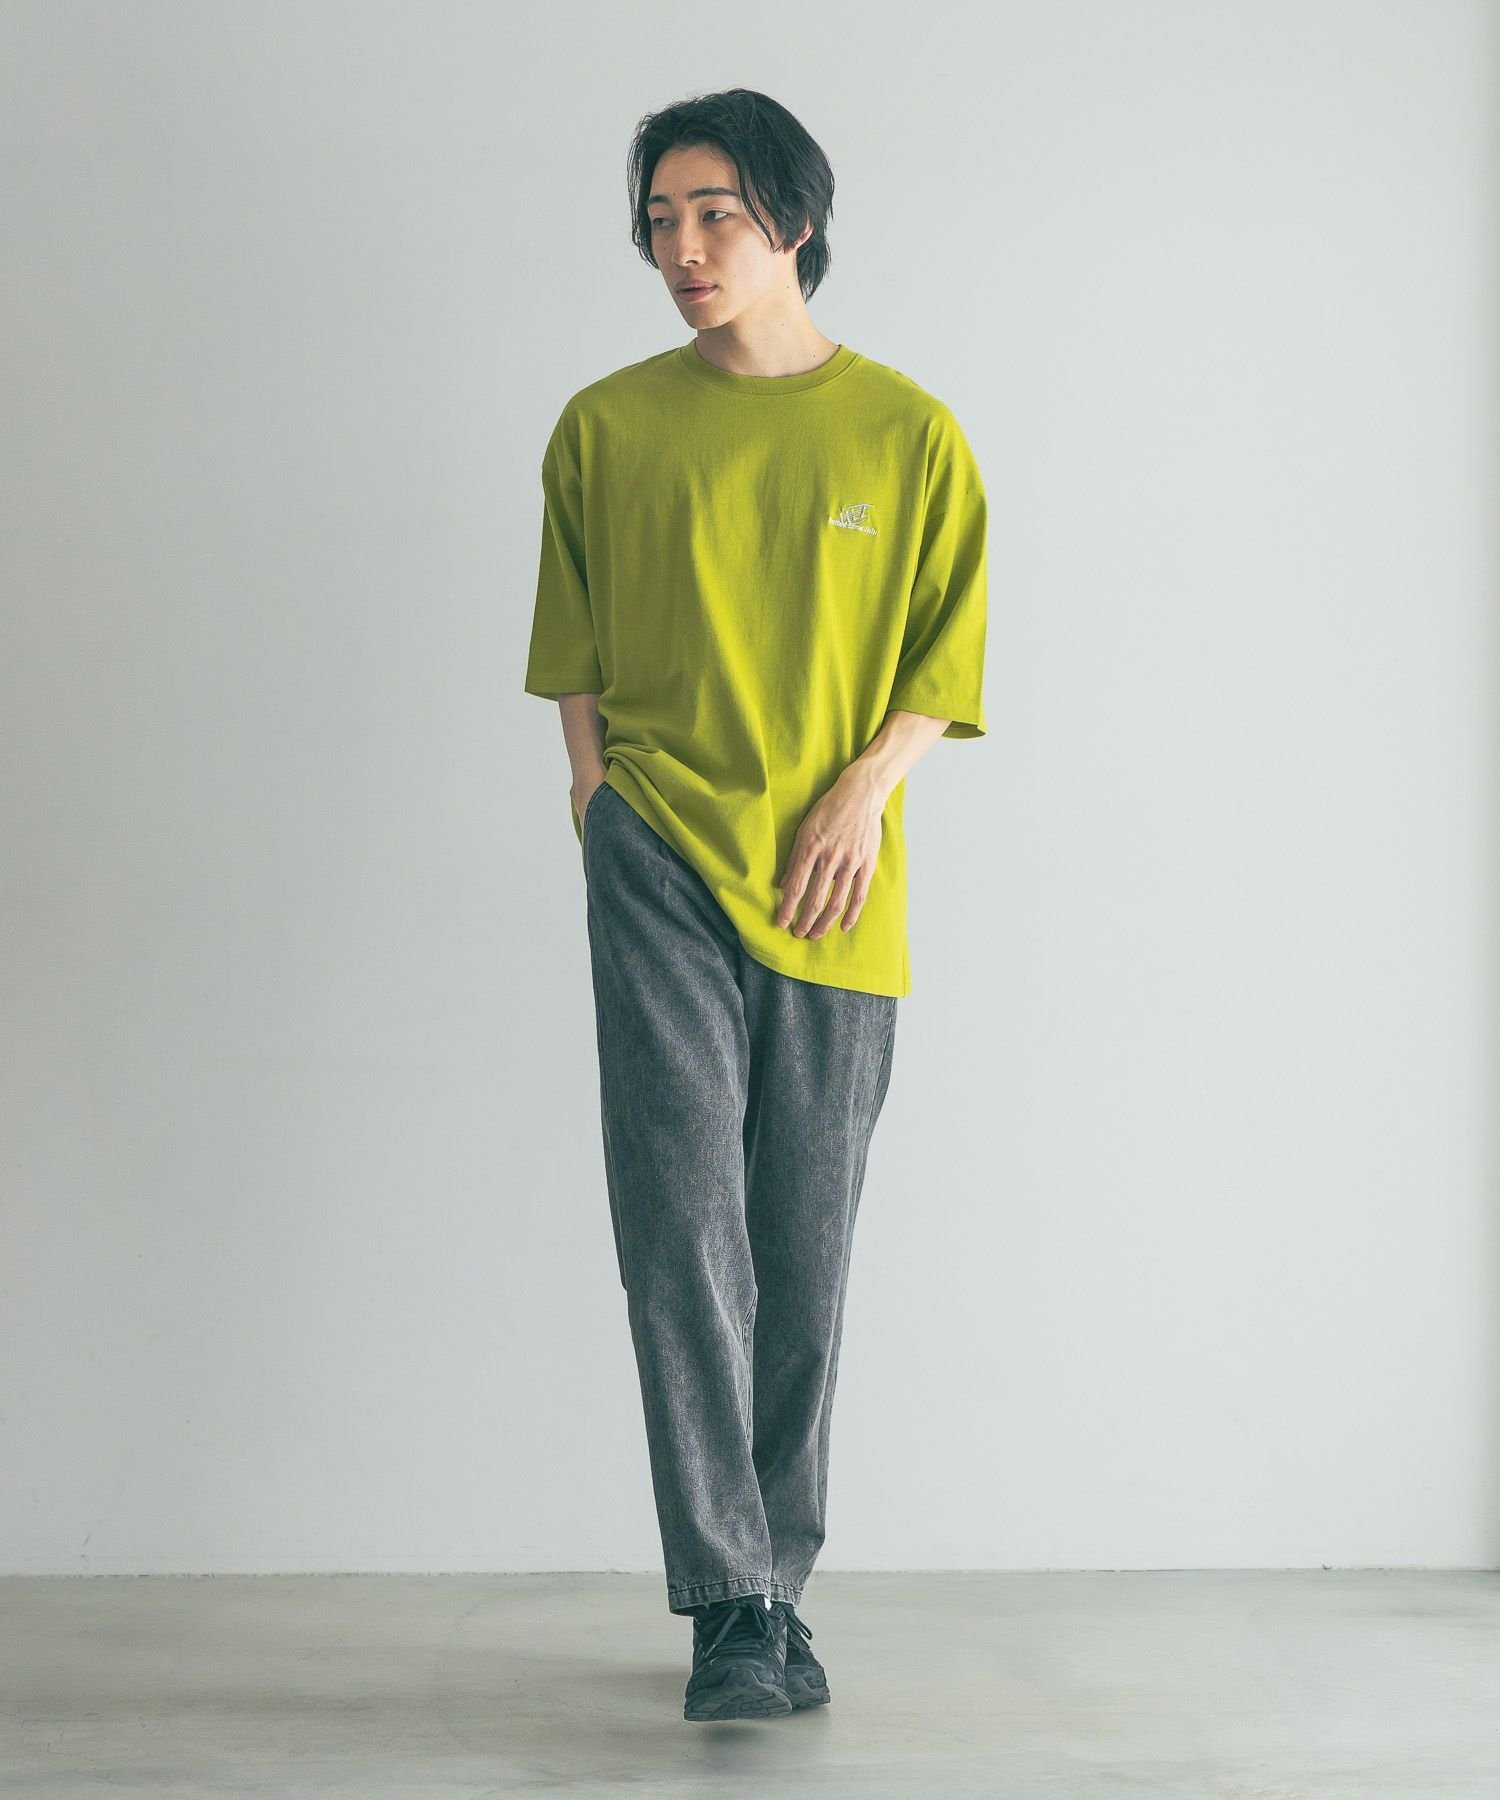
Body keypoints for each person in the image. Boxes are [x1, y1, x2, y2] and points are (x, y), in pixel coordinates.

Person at [524, 87, 988, 1724]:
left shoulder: (907, 432)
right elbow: (572, 654)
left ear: (793, 217)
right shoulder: (605, 428)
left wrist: (868, 789)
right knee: (679, 1240)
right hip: (657, 860)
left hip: (833, 882)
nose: (684, 248)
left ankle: (779, 1587)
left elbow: (945, 655)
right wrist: (597, 806)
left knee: (803, 1248)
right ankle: (730, 1608)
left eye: (714, 213)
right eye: (660, 221)